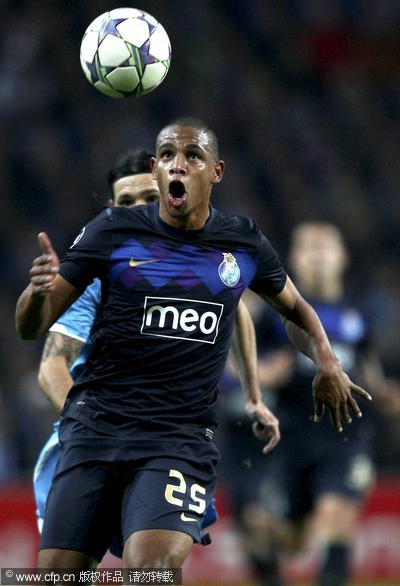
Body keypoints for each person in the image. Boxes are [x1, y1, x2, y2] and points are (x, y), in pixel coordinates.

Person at [15, 117, 371, 572]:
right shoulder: (111, 233)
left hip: (176, 440)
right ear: (155, 167)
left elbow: (291, 309)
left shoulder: (240, 242)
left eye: (191, 156)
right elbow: (33, 326)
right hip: (94, 435)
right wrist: (36, 293)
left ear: (215, 172)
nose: (177, 166)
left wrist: (325, 360)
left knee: (151, 571)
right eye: (166, 156)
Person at [33, 146, 258, 548]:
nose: (136, 211)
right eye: (125, 203)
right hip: (90, 443)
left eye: (148, 200)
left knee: (153, 567)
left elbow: (236, 311)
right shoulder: (97, 275)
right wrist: (92, 427)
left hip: (167, 443)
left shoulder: (204, 268)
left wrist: (254, 394)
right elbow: (52, 369)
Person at [218, 221, 398, 586]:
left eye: (324, 247)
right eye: (308, 248)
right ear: (294, 260)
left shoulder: (358, 314)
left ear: (342, 257)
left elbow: (369, 370)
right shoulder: (272, 312)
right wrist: (265, 373)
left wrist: (384, 392)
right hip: (292, 439)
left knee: (336, 519)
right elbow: (233, 360)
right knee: (288, 540)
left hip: (345, 437)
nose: (316, 256)